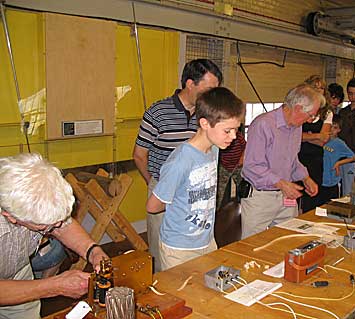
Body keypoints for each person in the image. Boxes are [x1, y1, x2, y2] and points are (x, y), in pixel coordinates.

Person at [133, 59, 222, 271]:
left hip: (194, 194)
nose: (213, 95)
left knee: (196, 251)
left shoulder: (208, 115)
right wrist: (156, 184)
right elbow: (139, 155)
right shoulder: (158, 112)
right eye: (209, 89)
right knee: (162, 254)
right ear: (190, 84)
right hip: (164, 189)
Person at [145, 87, 245, 270]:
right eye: (228, 131)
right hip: (179, 248)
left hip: (206, 241)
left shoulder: (214, 149)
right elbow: (153, 206)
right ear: (205, 123)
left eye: (236, 130)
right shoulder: (181, 160)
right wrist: (180, 202)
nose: (234, 137)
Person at [0, 153, 108, 319]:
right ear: (11, 216)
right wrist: (53, 286)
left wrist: (93, 251)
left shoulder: (31, 193)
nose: (57, 227)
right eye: (45, 226)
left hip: (16, 268)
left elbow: (62, 225)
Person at [241, 84, 325, 239]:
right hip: (261, 198)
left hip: (286, 196)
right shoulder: (263, 125)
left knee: (288, 240)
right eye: (311, 115)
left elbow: (292, 160)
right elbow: (252, 166)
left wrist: (305, 178)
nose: (311, 120)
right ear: (298, 108)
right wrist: (281, 183)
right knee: (251, 246)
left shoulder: (296, 128)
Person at [298, 75, 333, 213]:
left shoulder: (327, 113)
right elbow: (294, 137)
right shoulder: (300, 109)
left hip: (315, 160)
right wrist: (316, 135)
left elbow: (323, 141)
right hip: (297, 156)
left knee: (311, 197)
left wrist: (306, 137)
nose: (319, 91)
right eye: (315, 88)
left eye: (322, 88)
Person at [321, 115, 355, 203]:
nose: (332, 129)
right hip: (320, 179)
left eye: (335, 127)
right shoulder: (320, 140)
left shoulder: (339, 143)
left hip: (331, 180)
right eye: (330, 126)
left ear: (339, 130)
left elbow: (352, 157)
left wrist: (338, 163)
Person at [216, 128, 246, 209]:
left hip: (238, 166)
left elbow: (245, 147)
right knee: (219, 191)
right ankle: (216, 210)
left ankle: (243, 205)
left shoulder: (239, 137)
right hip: (224, 167)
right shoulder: (220, 137)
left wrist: (241, 159)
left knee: (243, 187)